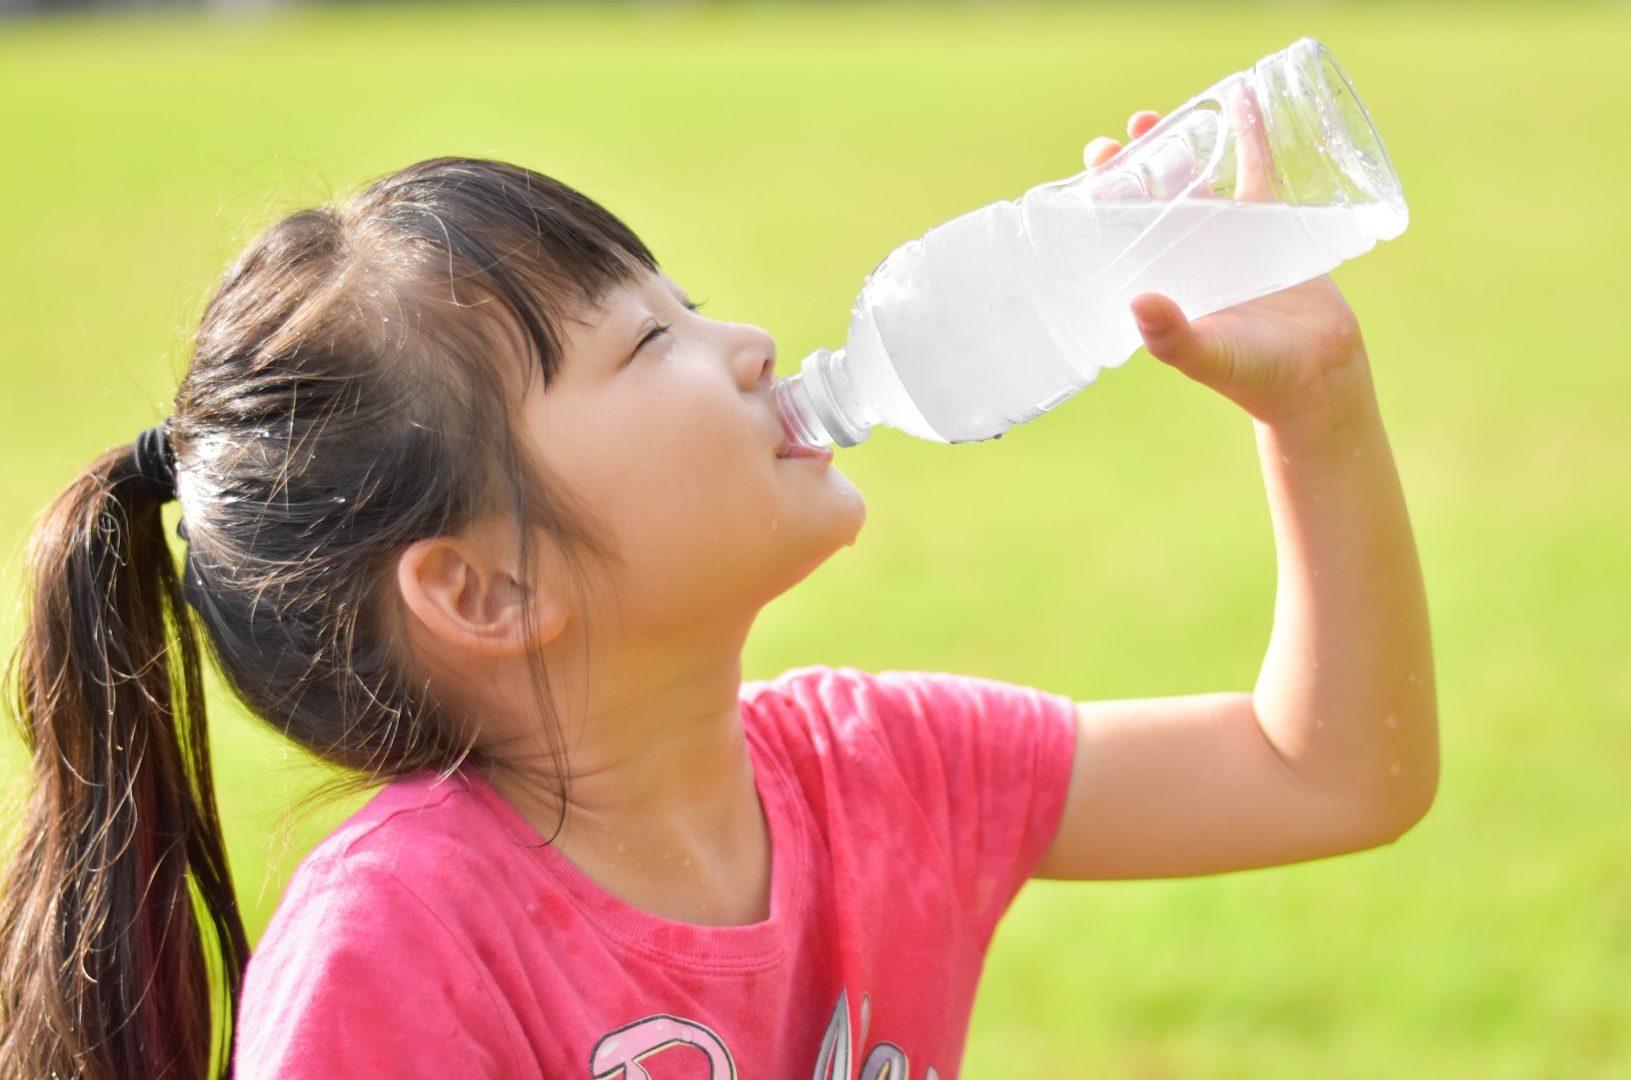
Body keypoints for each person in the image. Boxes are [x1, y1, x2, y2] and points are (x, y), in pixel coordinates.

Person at [0, 108, 1436, 1079]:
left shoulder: (883, 775)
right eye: (650, 344)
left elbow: (1325, 776)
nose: (747, 343)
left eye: (688, 304)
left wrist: (1319, 408)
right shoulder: (399, 948)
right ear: (487, 589)